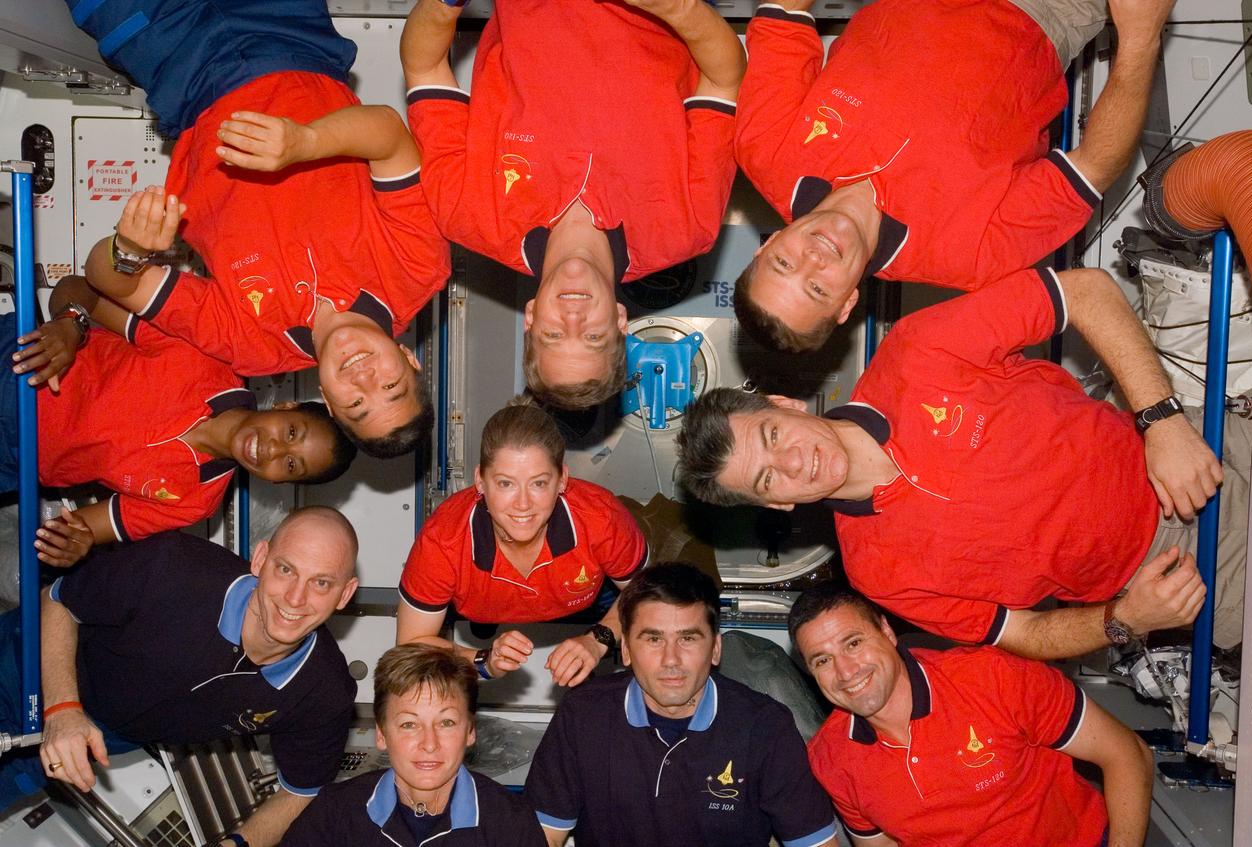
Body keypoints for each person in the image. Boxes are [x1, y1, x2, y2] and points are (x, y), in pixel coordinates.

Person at [677, 266, 1230, 658]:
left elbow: (1084, 291)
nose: (796, 462)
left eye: (773, 434)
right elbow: (1025, 634)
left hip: (1191, 452)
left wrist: (1162, 422)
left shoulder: (917, 351)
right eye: (769, 477)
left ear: (784, 404)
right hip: (1173, 575)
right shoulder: (878, 574)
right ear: (777, 501)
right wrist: (1124, 621)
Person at [64, 0, 451, 457]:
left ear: (326, 401)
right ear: (410, 361)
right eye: (391, 385)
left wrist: (127, 249)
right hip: (290, 32)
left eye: (356, 404)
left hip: (174, 64)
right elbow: (390, 135)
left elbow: (106, 279)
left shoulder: (253, 345)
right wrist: (305, 142)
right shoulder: (419, 269)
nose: (364, 378)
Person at [732, 0, 1173, 352]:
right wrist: (1139, 40)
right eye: (816, 288)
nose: (813, 257)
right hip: (1044, 11)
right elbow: (1092, 168)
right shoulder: (967, 257)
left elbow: (783, 17)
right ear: (847, 304)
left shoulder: (765, 151)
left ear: (767, 245)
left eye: (783, 263)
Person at [401, 0, 745, 408]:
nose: (573, 318)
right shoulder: (687, 228)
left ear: (530, 319)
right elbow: (725, 78)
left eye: (554, 334)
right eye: (593, 337)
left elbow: (424, 68)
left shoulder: (467, 216)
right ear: (620, 322)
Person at [0, 507, 360, 847]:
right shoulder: (174, 565)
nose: (296, 598)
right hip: (26, 663)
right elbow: (59, 600)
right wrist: (62, 707)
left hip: (97, 736)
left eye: (322, 583)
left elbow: (302, 790)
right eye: (285, 569)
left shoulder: (324, 693)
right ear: (261, 558)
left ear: (345, 594)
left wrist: (236, 843)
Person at [3, 275, 354, 568]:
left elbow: (85, 528)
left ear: (280, 483)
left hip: (12, 460)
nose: (274, 449)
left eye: (291, 465)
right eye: (291, 432)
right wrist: (70, 324)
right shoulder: (207, 355)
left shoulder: (195, 501)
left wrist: (75, 544)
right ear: (285, 406)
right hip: (16, 365)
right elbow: (83, 290)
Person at [791, 582, 1153, 847]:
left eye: (853, 643)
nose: (846, 671)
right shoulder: (832, 758)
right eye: (822, 660)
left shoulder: (995, 678)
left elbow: (1128, 754)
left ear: (886, 631)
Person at [525, 561, 839, 847]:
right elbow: (543, 836)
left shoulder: (765, 727)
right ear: (626, 652)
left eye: (688, 638)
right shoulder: (584, 714)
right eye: (653, 639)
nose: (670, 660)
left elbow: (816, 844)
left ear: (715, 649)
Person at [398, 400, 649, 687]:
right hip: (479, 605)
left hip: (591, 600)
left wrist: (599, 639)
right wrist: (484, 661)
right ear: (480, 481)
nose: (523, 503)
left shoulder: (600, 518)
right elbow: (411, 645)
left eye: (539, 483)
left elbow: (646, 593)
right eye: (506, 483)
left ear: (562, 480)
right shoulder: (443, 540)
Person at [280, 643, 544, 845]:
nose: (429, 744)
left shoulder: (511, 824)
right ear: (381, 735)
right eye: (409, 724)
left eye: (446, 723)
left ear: (470, 731)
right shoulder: (334, 814)